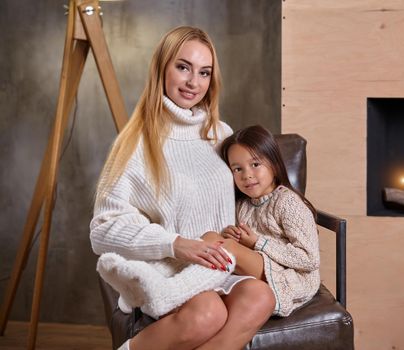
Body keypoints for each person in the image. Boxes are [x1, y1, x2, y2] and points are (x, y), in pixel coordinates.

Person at [90, 26, 275, 350]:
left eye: (204, 72)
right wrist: (176, 244)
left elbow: (251, 193)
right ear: (162, 67)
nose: (193, 82)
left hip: (220, 265)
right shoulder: (135, 142)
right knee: (208, 313)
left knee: (261, 295)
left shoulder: (221, 133)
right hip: (172, 271)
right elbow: (102, 229)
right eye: (183, 67)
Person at [206, 124, 321, 317]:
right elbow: (246, 246)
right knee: (211, 238)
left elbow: (309, 259)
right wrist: (234, 236)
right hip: (260, 268)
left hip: (291, 275)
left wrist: (258, 243)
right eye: (237, 169)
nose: (247, 175)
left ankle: (187, 289)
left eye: (255, 165)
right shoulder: (242, 205)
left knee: (225, 248)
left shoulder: (287, 203)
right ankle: (200, 297)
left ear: (274, 164)